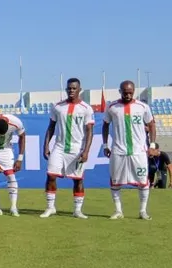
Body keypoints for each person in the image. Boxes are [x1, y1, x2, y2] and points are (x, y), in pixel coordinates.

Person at [102, 80, 155, 220]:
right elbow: (105, 125)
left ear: (134, 92)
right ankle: (118, 211)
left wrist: (152, 145)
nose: (128, 95)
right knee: (115, 182)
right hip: (118, 152)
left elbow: (151, 124)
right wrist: (105, 145)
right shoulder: (112, 107)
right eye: (125, 92)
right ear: (120, 91)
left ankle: (143, 211)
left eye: (130, 93)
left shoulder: (142, 107)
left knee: (143, 181)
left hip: (138, 152)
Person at [42, 78, 93, 219]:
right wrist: (46, 145)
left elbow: (89, 131)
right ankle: (50, 208)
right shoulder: (58, 107)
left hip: (77, 149)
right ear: (66, 89)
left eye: (74, 88)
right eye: (69, 88)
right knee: (51, 175)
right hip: (59, 147)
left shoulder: (86, 108)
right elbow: (51, 127)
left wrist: (86, 151)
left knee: (78, 179)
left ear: (79, 90)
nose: (71, 90)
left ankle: (77, 210)